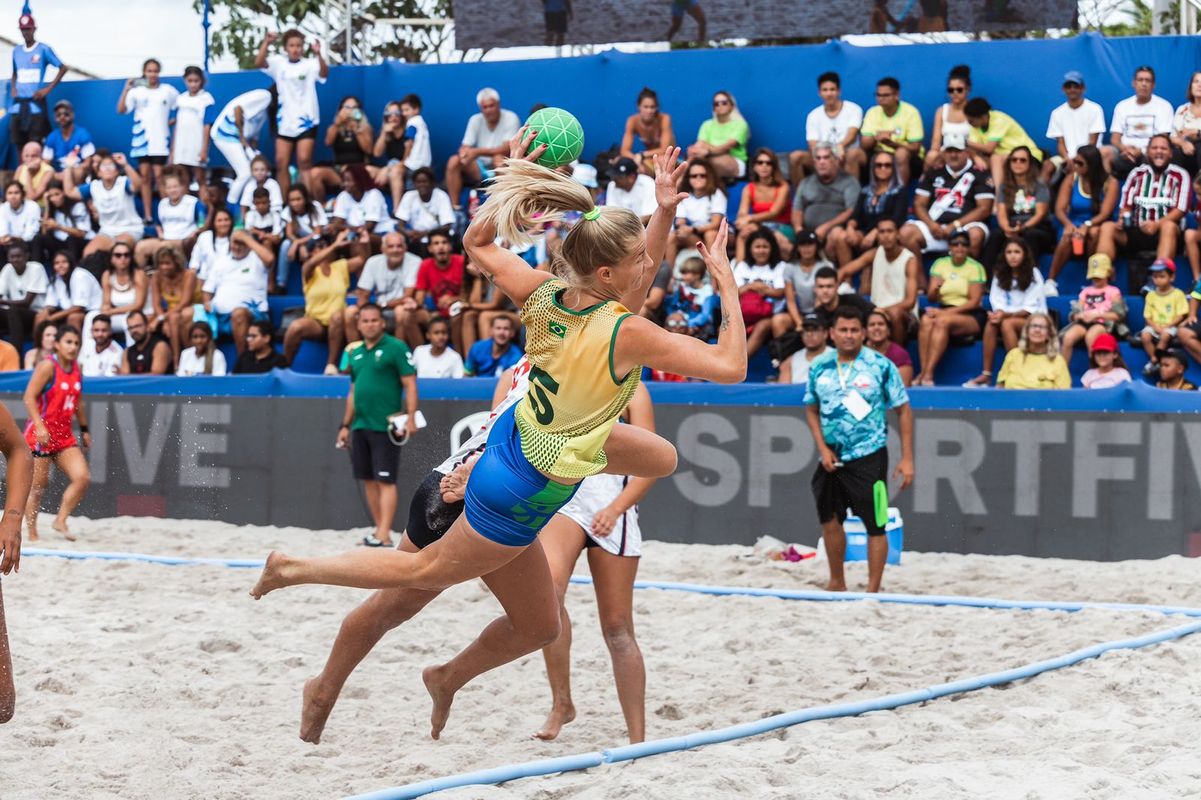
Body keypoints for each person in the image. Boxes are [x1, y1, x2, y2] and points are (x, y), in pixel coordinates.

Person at [249, 143, 747, 742]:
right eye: (640, 254)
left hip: (509, 454)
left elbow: (480, 244)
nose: (650, 262)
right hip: (507, 486)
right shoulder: (624, 330)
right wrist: (724, 282)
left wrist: (521, 182)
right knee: (411, 586)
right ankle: (296, 570)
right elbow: (730, 364)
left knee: (541, 618)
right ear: (609, 272)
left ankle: (442, 676)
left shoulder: (548, 295)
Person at [533, 378, 655, 744]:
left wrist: (617, 508)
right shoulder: (555, 372)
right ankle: (561, 704)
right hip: (565, 501)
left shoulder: (634, 388)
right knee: (550, 598)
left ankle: (638, 739)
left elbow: (650, 463)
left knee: (618, 629)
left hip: (612, 507)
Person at [805, 305, 913, 594]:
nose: (849, 335)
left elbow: (903, 410)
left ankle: (873, 590)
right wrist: (822, 449)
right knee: (830, 521)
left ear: (864, 333)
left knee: (876, 523)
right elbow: (811, 409)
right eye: (843, 330)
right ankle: (836, 581)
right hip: (831, 458)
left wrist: (907, 459)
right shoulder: (819, 366)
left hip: (870, 456)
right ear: (832, 333)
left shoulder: (881, 365)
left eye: (855, 330)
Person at [340, 303, 419, 547]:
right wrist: (345, 425)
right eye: (365, 321)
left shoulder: (396, 347)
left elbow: (410, 384)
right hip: (360, 424)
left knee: (385, 479)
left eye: (374, 320)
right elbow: (353, 391)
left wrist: (412, 416)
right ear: (359, 324)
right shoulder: (355, 352)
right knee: (368, 479)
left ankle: (384, 534)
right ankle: (378, 531)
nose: (370, 324)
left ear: (382, 322)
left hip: (386, 425)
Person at [23, 324, 89, 542]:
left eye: (77, 343)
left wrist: (85, 428)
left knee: (82, 477)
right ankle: (32, 533)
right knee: (37, 488)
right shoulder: (47, 367)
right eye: (69, 342)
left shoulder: (77, 368)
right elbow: (29, 397)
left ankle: (60, 520)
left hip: (63, 436)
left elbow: (77, 401)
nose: (73, 347)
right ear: (58, 344)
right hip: (40, 437)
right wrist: (40, 425)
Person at [1095, 134, 1188, 289]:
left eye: (1164, 148)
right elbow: (1125, 205)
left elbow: (1180, 209)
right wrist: (1122, 219)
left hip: (1165, 232)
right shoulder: (1137, 174)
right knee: (1107, 228)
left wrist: (1156, 225)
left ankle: (1156, 282)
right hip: (1137, 229)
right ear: (1147, 152)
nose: (1159, 151)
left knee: (1169, 226)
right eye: (1155, 148)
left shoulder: (1180, 175)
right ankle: (1101, 281)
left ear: (1171, 153)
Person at [964, 237, 1046, 387]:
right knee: (992, 323)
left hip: (1034, 319)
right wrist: (997, 314)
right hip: (1007, 316)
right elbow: (997, 301)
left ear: (1024, 254)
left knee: (1007, 324)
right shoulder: (1000, 273)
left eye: (1017, 252)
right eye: (1009, 252)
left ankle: (1018, 371)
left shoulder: (1034, 274)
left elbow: (1030, 308)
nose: (1012, 256)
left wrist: (1004, 315)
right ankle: (986, 374)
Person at [900, 132, 994, 262]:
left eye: (958, 151)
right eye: (949, 151)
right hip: (934, 227)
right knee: (906, 233)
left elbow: (984, 209)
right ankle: (920, 280)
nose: (953, 155)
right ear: (943, 153)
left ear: (967, 152)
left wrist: (955, 225)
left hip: (964, 226)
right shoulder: (933, 172)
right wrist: (931, 225)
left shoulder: (979, 174)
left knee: (975, 235)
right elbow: (918, 204)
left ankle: (968, 278)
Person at [256, 29, 328, 197]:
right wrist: (266, 42)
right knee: (281, 163)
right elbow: (259, 62)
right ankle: (286, 204)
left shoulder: (310, 64)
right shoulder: (278, 63)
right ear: (285, 48)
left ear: (303, 48)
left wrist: (319, 54)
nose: (295, 49)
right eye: (291, 45)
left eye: (299, 45)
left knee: (304, 161)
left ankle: (307, 203)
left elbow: (324, 74)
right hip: (285, 121)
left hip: (307, 120)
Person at [285, 230, 364, 374]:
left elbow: (361, 259)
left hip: (339, 321)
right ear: (311, 251)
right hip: (316, 322)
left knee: (337, 316)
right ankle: (284, 367)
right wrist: (335, 245)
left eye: (324, 245)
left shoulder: (340, 266)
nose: (322, 248)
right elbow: (311, 263)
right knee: (296, 326)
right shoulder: (309, 269)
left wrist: (363, 241)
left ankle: (331, 366)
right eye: (318, 246)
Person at [915, 230, 987, 386]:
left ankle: (927, 374)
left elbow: (974, 302)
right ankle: (923, 370)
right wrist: (934, 289)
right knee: (926, 320)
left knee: (942, 322)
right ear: (950, 247)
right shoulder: (940, 264)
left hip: (970, 313)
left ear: (968, 248)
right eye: (955, 244)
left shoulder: (976, 267)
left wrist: (944, 313)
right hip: (944, 308)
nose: (959, 247)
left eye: (964, 244)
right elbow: (931, 298)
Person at [1045, 144, 1118, 296]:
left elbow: (1105, 213)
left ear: (1092, 165)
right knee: (1067, 235)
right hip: (1073, 222)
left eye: (1080, 163)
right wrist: (1068, 224)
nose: (1075, 166)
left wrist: (1087, 225)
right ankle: (1050, 282)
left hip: (1096, 223)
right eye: (1075, 161)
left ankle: (1092, 280)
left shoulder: (1110, 183)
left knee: (1094, 233)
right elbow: (1059, 208)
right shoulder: (1072, 178)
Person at [117, 58, 178, 225]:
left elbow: (178, 110)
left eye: (155, 71)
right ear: (144, 72)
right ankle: (148, 216)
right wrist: (126, 89)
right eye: (149, 71)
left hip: (161, 142)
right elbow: (121, 110)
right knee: (145, 178)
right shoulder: (136, 92)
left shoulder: (168, 91)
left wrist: (168, 124)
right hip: (141, 141)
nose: (152, 74)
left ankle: (168, 214)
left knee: (160, 177)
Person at [838, 217, 918, 344]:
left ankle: (897, 356)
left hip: (904, 316)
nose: (886, 236)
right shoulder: (874, 254)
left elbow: (910, 302)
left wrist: (884, 310)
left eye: (889, 231)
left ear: (897, 234)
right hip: (876, 311)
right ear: (877, 235)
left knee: (894, 313)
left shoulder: (909, 260)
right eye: (882, 232)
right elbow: (844, 271)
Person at [445, 88, 521, 221]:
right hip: (479, 169)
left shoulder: (511, 117)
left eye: (491, 106)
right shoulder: (475, 120)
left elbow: (506, 148)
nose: (489, 110)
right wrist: (464, 154)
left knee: (499, 159)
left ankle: (503, 209)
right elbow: (466, 146)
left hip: (503, 166)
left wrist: (476, 151)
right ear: (481, 108)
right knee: (454, 161)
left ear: (498, 104)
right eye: (485, 107)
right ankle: (455, 210)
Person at [199, 230, 273, 354]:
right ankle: (190, 364)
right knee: (186, 314)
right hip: (219, 316)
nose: (237, 247)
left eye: (241, 243)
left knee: (238, 314)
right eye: (235, 243)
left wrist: (246, 238)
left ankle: (242, 363)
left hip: (252, 315)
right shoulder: (221, 262)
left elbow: (270, 259)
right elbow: (207, 290)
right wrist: (206, 302)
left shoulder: (257, 259)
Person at [828, 151, 907, 268]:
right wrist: (850, 228)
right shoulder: (866, 190)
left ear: (893, 168)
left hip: (885, 234)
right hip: (864, 234)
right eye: (878, 165)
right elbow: (856, 215)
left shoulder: (899, 191)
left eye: (887, 165)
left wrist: (875, 232)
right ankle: (847, 283)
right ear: (873, 168)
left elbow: (897, 218)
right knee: (841, 236)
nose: (883, 168)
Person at [62, 152, 143, 258]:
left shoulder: (123, 183)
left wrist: (125, 164)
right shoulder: (94, 186)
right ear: (99, 173)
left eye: (111, 165)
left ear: (117, 172)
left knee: (118, 250)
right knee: (88, 254)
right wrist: (69, 167)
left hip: (130, 229)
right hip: (107, 231)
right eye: (104, 166)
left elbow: (137, 185)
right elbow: (70, 192)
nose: (108, 168)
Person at [790, 72, 865, 184]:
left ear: (839, 91)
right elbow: (812, 144)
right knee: (795, 157)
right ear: (819, 93)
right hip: (824, 155)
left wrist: (839, 147)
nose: (829, 93)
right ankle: (801, 197)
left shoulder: (854, 109)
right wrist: (827, 157)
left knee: (852, 154)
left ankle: (853, 198)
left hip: (846, 154)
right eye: (825, 90)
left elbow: (852, 136)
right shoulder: (813, 115)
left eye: (832, 89)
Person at [985, 145, 1054, 266]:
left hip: (1037, 227)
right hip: (1012, 226)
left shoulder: (1040, 185)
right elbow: (1001, 212)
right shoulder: (1004, 186)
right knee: (996, 236)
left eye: (1023, 160)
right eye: (1014, 159)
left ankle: (1030, 278)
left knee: (1030, 236)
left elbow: (1040, 213)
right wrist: (1007, 228)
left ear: (1030, 164)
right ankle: (989, 281)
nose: (1018, 163)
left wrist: (1023, 227)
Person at [9, 12, 66, 157]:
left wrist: (47, 89)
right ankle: (22, 175)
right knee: (17, 141)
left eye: (28, 29)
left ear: (34, 29)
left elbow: (63, 68)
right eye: (23, 29)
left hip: (36, 103)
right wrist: (14, 87)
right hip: (19, 104)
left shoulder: (43, 49)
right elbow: (15, 72)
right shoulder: (16, 51)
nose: (25, 32)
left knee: (36, 142)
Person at [349, 232, 422, 344]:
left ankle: (397, 354)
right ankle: (356, 355)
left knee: (401, 311)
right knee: (350, 312)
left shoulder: (415, 261)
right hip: (379, 309)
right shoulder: (373, 262)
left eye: (399, 246)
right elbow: (363, 295)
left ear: (405, 248)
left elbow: (408, 296)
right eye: (391, 246)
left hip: (401, 307)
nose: (395, 250)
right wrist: (369, 311)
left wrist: (383, 306)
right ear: (383, 249)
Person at [209, 88, 273, 205]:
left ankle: (247, 204)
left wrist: (254, 156)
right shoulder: (266, 96)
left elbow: (254, 137)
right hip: (225, 134)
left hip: (238, 140)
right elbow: (238, 109)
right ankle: (230, 206)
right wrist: (242, 139)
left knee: (252, 173)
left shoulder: (264, 112)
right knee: (245, 173)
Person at [964, 97, 1044, 191]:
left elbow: (989, 148)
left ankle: (999, 196)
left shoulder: (999, 120)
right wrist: (975, 157)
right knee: (968, 158)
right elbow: (973, 149)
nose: (969, 123)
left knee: (995, 158)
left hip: (1028, 156)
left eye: (971, 121)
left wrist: (965, 142)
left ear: (983, 116)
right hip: (1004, 159)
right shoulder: (975, 126)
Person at [1110, 65, 1174, 180]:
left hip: (1150, 153)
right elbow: (1115, 139)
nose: (1144, 84)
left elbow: (1163, 138)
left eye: (1147, 80)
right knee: (1106, 153)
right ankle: (1107, 192)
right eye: (1140, 80)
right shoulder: (1122, 106)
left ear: (1153, 85)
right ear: (1133, 83)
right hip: (1125, 152)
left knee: (1155, 157)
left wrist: (1142, 151)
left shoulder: (1164, 106)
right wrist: (1125, 149)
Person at [790, 143, 859, 249]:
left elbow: (851, 210)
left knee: (837, 234)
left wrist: (827, 227)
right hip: (808, 233)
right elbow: (797, 210)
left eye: (826, 157)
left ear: (836, 160)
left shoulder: (849, 182)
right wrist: (799, 230)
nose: (822, 162)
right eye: (818, 158)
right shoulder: (805, 182)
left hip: (835, 232)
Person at [1060, 253, 1127, 358]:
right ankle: (1062, 371)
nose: (1096, 278)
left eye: (1099, 275)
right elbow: (1074, 313)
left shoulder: (1114, 291)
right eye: (1093, 276)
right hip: (1084, 322)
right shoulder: (1085, 291)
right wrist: (1079, 316)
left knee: (1091, 336)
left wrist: (1097, 316)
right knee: (1068, 337)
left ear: (1108, 273)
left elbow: (1118, 315)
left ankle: (1094, 368)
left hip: (1103, 324)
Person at [733, 228, 787, 358]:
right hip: (743, 313)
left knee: (762, 327)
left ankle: (740, 362)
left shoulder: (780, 266)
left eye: (765, 247)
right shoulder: (742, 266)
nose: (761, 250)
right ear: (750, 248)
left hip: (768, 315)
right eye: (757, 247)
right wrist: (753, 286)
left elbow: (780, 292)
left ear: (772, 248)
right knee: (725, 327)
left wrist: (758, 288)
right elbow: (733, 292)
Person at [1044, 71, 1106, 183]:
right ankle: (1043, 200)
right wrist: (1067, 159)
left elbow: (1093, 142)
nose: (1072, 89)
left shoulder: (1095, 109)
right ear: (1063, 89)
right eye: (1068, 86)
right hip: (1067, 158)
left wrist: (1079, 160)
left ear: (1083, 88)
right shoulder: (1057, 113)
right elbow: (1060, 143)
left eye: (1076, 86)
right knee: (1047, 166)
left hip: (1091, 156)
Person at [310, 96, 376, 201]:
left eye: (354, 107)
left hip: (359, 169)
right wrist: (337, 124)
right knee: (315, 173)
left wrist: (356, 129)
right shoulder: (334, 127)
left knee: (370, 171)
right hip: (339, 170)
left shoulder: (365, 127)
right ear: (340, 109)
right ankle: (322, 206)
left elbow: (368, 150)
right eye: (347, 107)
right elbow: (328, 142)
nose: (350, 111)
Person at [860, 77, 924, 184]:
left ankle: (900, 196)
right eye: (878, 95)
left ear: (896, 95)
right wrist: (876, 138)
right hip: (878, 153)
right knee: (854, 154)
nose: (881, 98)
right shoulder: (872, 112)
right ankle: (858, 197)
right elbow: (865, 145)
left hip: (908, 158)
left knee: (901, 153)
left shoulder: (911, 112)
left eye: (886, 95)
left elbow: (915, 148)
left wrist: (892, 143)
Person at [734, 147, 794, 258]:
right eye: (760, 162)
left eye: (768, 163)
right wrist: (745, 221)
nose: (764, 166)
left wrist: (750, 219)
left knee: (775, 237)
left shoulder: (783, 187)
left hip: (782, 227)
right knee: (744, 233)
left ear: (774, 166)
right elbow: (742, 213)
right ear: (754, 166)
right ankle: (739, 271)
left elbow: (774, 212)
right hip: (759, 226)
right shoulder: (749, 188)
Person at [136, 169, 201, 267]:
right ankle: (140, 277)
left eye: (175, 187)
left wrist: (193, 235)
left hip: (183, 240)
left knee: (163, 247)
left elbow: (201, 223)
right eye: (169, 187)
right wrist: (160, 233)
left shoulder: (193, 202)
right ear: (165, 190)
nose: (173, 190)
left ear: (182, 187)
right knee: (141, 247)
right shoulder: (162, 204)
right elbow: (158, 224)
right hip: (165, 239)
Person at [88, 241, 147, 347]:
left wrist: (112, 311)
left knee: (129, 320)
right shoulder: (107, 275)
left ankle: (130, 354)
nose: (122, 258)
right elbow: (106, 302)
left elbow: (138, 305)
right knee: (91, 316)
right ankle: (88, 353)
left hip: (137, 314)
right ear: (112, 258)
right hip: (116, 315)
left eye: (126, 255)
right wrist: (105, 309)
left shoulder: (139, 274)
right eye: (118, 255)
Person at [670, 158, 726, 266]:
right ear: (688, 178)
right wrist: (683, 229)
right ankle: (668, 278)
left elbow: (715, 224)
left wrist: (693, 229)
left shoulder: (716, 193)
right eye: (694, 176)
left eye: (702, 175)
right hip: (692, 234)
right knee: (672, 236)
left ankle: (714, 277)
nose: (698, 178)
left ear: (709, 177)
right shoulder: (684, 194)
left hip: (713, 233)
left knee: (710, 235)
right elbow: (680, 221)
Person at [1140, 258, 1189, 377]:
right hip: (1154, 326)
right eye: (1155, 277)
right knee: (1145, 335)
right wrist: (1155, 327)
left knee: (1165, 335)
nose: (1157, 280)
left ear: (1171, 277)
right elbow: (1147, 316)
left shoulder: (1178, 294)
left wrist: (1168, 325)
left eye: (1162, 276)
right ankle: (1154, 360)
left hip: (1171, 326)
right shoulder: (1151, 295)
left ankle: (1155, 359)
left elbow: (1181, 315)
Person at [996, 313, 1070, 389]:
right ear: (1027, 331)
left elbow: (1063, 396)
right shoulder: (1013, 355)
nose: (1037, 330)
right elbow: (999, 387)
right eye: (1034, 326)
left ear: (1049, 334)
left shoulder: (1058, 361)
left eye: (1042, 327)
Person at [686, 91, 749, 179]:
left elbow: (725, 148)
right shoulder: (707, 124)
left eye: (724, 103)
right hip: (707, 157)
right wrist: (695, 150)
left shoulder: (740, 124)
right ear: (713, 108)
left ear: (731, 105)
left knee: (701, 163)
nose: (720, 106)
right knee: (697, 160)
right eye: (716, 104)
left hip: (734, 161)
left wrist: (707, 150)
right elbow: (700, 145)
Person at [170, 66, 215, 188]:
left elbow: (207, 126)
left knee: (200, 178)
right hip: (181, 145)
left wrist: (204, 150)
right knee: (182, 178)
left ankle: (203, 206)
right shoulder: (180, 99)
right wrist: (173, 150)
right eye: (190, 81)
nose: (193, 84)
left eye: (196, 81)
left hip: (197, 144)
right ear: (185, 80)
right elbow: (177, 126)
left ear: (201, 81)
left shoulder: (206, 99)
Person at [37, 250, 100, 334]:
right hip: (66, 311)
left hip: (91, 311)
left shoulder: (79, 275)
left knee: (74, 317)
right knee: (40, 316)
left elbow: (79, 307)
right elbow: (51, 304)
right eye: (57, 263)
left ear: (70, 263)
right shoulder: (56, 278)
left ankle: (75, 346)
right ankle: (38, 346)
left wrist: (52, 317)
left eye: (64, 262)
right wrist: (46, 311)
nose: (60, 265)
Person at [395, 167, 455, 256]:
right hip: (414, 239)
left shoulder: (441, 196)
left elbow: (447, 226)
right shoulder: (409, 196)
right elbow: (399, 225)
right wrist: (408, 233)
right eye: (418, 182)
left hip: (437, 237)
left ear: (432, 183)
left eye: (425, 181)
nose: (421, 185)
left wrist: (425, 233)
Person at [924, 65, 973, 174]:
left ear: (968, 89)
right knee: (931, 156)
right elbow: (935, 144)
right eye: (951, 90)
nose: (955, 93)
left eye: (959, 90)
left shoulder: (974, 110)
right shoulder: (941, 111)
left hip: (968, 153)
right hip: (946, 152)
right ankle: (924, 187)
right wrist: (941, 155)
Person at [0, 241, 47, 348]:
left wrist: (3, 301)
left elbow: (26, 302)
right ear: (8, 258)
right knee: (12, 311)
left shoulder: (36, 268)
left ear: (27, 256)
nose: (15, 259)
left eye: (18, 256)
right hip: (12, 315)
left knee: (13, 310)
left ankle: (16, 355)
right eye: (12, 257)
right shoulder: (8, 268)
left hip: (34, 314)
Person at [330, 164, 391, 246]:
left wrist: (344, 228)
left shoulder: (374, 194)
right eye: (343, 181)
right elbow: (336, 224)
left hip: (381, 234)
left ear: (359, 180)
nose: (344, 184)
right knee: (335, 238)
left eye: (348, 181)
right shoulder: (343, 195)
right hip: (354, 234)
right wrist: (339, 228)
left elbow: (368, 227)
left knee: (361, 239)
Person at [620, 87, 675, 176]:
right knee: (620, 161)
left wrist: (641, 155)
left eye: (652, 107)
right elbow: (624, 151)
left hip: (667, 158)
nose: (649, 111)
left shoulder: (664, 119)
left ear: (657, 107)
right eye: (645, 107)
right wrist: (636, 159)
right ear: (639, 107)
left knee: (661, 161)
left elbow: (665, 149)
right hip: (648, 159)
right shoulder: (632, 121)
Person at [413, 231, 465, 320]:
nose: (441, 246)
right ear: (430, 248)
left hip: (459, 307)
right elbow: (420, 296)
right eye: (436, 243)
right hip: (435, 310)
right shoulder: (425, 265)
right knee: (408, 315)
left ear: (450, 246)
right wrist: (416, 303)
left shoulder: (461, 262)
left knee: (456, 311)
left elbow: (471, 296)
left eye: (444, 242)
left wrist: (453, 299)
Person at [38, 179, 90, 265]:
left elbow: (81, 233)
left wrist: (58, 227)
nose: (54, 199)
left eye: (57, 194)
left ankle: (73, 269)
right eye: (50, 196)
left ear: (64, 193)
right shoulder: (53, 209)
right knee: (39, 238)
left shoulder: (77, 206)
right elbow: (44, 233)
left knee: (71, 239)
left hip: (79, 243)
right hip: (60, 244)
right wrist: (47, 205)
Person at [42, 100, 93, 183]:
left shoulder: (83, 134)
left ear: (72, 115)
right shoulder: (52, 137)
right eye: (58, 115)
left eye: (66, 114)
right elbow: (45, 164)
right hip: (59, 175)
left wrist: (69, 173)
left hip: (77, 174)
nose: (62, 117)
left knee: (79, 172)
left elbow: (88, 163)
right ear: (55, 118)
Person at [865, 308, 914, 385]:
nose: (876, 328)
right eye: (872, 325)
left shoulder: (899, 354)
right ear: (865, 332)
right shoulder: (858, 353)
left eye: (881, 324)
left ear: (888, 331)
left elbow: (903, 388)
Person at [777, 312, 829, 384]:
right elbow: (783, 392)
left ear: (825, 334)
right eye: (806, 330)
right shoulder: (790, 362)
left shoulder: (838, 357)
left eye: (814, 330)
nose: (809, 334)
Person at [188, 207, 234, 285]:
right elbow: (195, 259)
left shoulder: (236, 237)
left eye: (226, 220)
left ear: (231, 221)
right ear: (213, 223)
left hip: (229, 279)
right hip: (205, 279)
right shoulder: (205, 236)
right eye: (219, 220)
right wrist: (193, 272)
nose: (223, 224)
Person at [604, 158, 656, 224]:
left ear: (632, 177)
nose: (614, 179)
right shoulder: (612, 185)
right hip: (622, 228)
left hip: (646, 228)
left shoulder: (647, 183)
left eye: (619, 177)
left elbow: (648, 216)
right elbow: (612, 214)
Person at [120, 310, 172, 375]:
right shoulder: (127, 352)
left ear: (147, 326)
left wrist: (130, 378)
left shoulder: (160, 347)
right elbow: (125, 378)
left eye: (137, 326)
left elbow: (156, 376)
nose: (134, 330)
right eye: (131, 328)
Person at [0, 180, 41, 249]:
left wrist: (20, 239)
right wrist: (5, 238)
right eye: (10, 193)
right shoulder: (3, 208)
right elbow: (3, 230)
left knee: (38, 238)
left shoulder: (33, 206)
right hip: (9, 242)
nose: (13, 196)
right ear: (5, 195)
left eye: (16, 193)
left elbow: (32, 230)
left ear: (22, 195)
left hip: (28, 242)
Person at [14, 141, 52, 208]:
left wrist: (29, 173)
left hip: (40, 207)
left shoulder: (48, 171)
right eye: (26, 156)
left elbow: (32, 198)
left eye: (34, 156)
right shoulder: (20, 169)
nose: (30, 159)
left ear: (40, 156)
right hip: (20, 205)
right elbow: (14, 191)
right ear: (22, 157)